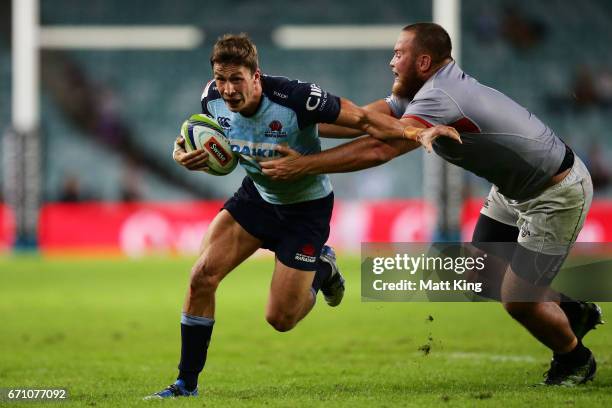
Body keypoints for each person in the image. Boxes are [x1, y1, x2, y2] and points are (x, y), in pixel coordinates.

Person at [260, 23, 603, 386]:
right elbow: (367, 120)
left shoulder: (441, 97)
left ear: (423, 61)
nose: (391, 62)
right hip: (514, 189)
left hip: (554, 194)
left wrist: (302, 166)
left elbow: (380, 148)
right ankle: (570, 310)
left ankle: (576, 360)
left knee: (519, 301)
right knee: (476, 274)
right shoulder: (423, 89)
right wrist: (296, 122)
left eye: (398, 54)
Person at [146, 33, 459, 399]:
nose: (228, 89)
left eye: (236, 80)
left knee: (280, 319)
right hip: (258, 197)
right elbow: (194, 138)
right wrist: (181, 154)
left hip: (305, 210)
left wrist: (413, 132)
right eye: (221, 78)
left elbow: (361, 119)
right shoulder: (210, 99)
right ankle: (186, 384)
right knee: (201, 276)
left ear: (256, 76)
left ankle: (324, 269)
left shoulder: (296, 99)